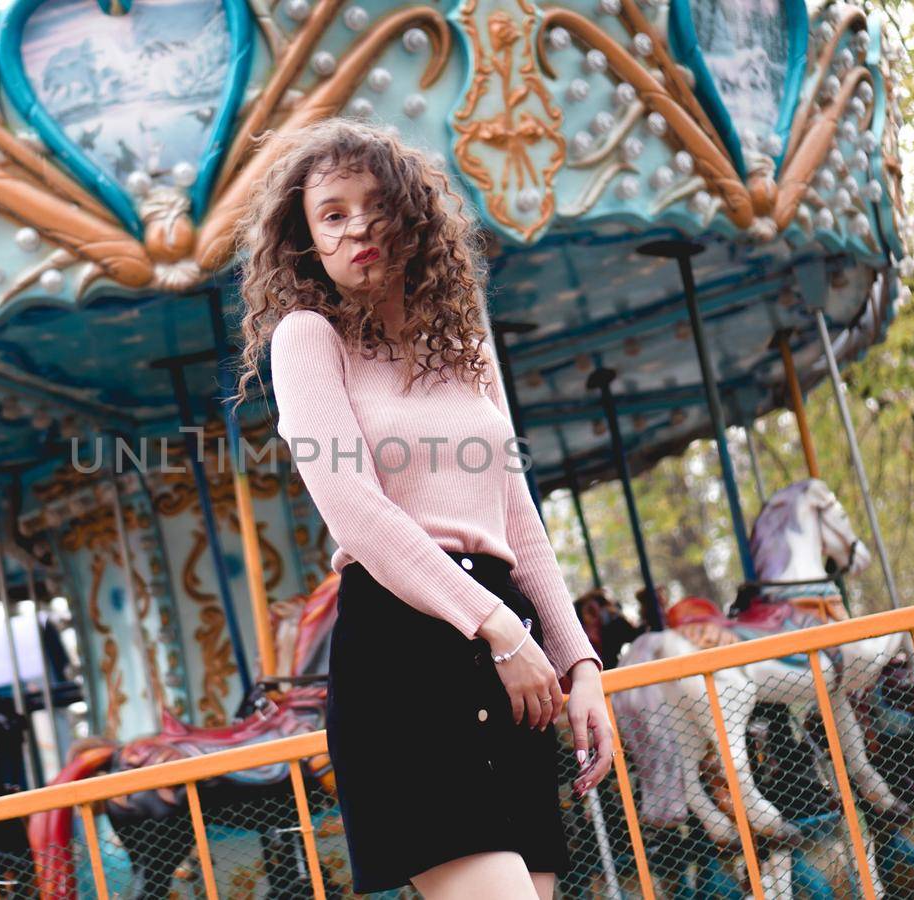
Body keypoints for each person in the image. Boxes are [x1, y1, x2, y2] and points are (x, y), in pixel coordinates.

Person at [228, 119, 615, 899]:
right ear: (306, 239)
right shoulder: (308, 338)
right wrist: (499, 628)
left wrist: (583, 667)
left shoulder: (463, 341)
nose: (358, 227)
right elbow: (355, 513)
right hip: (407, 648)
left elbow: (518, 517)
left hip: (513, 658)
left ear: (413, 216)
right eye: (331, 214)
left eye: (375, 206)